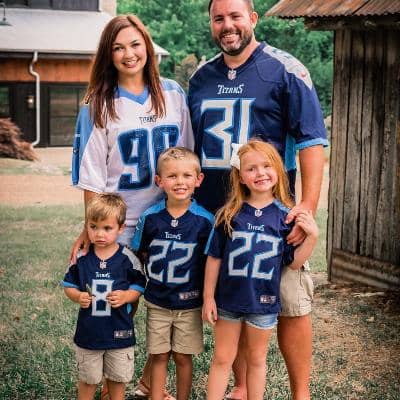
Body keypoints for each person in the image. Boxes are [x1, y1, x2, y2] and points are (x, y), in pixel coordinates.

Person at [188, 1, 328, 399]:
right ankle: (242, 387)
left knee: (290, 302)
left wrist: (306, 208)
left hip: (274, 215)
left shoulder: (285, 69)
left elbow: (311, 141)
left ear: (253, 18)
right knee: (235, 301)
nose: (227, 25)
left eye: (235, 16)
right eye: (218, 18)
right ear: (211, 23)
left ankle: (301, 393)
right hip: (222, 217)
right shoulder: (201, 78)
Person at [70, 14, 194, 400]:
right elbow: (92, 176)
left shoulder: (173, 93)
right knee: (118, 309)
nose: (129, 54)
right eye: (118, 47)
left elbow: (186, 156)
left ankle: (145, 382)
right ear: (108, 54)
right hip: (121, 225)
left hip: (166, 221)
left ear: (147, 46)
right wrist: (91, 227)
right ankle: (110, 387)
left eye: (135, 44)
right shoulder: (97, 104)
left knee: (165, 308)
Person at [203, 140, 319, 400]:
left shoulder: (285, 217)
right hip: (228, 300)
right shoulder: (229, 214)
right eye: (251, 168)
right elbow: (214, 257)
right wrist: (209, 296)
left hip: (263, 303)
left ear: (277, 170)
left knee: (257, 359)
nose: (260, 173)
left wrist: (312, 238)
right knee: (222, 357)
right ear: (240, 176)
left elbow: (293, 263)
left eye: (267, 166)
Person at [131, 147, 214, 400]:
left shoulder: (205, 220)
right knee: (159, 355)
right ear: (159, 181)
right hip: (157, 301)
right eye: (172, 176)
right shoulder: (150, 217)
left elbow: (210, 262)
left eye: (187, 175)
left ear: (198, 179)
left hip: (189, 302)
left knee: (182, 356)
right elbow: (139, 253)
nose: (180, 182)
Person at [62, 193, 146, 400]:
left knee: (118, 379)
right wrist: (78, 296)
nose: (99, 234)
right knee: (88, 380)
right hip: (89, 334)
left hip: (120, 333)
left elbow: (139, 286)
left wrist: (126, 296)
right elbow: (68, 285)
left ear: (121, 228)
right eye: (93, 227)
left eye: (107, 228)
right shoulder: (82, 257)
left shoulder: (128, 258)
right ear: (87, 226)